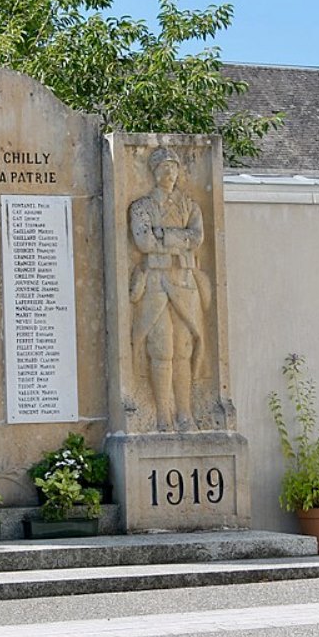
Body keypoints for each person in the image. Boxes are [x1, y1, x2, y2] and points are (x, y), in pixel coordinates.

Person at [129, 147, 210, 432]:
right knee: (161, 347)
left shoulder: (190, 205)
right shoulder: (142, 206)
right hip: (155, 281)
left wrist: (163, 233)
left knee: (183, 349)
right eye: (163, 168)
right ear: (154, 172)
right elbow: (144, 242)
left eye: (173, 168)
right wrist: (177, 238)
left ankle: (185, 414)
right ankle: (163, 415)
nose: (169, 173)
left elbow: (197, 237)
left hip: (185, 282)